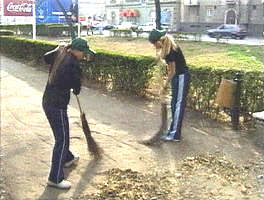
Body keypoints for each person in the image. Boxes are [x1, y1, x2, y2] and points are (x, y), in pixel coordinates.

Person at [42, 38, 95, 189]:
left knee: (61, 136)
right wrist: (76, 86)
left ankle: (68, 158)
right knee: (62, 139)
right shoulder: (72, 64)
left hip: (48, 102)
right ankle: (55, 178)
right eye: (83, 53)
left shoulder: (61, 55)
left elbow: (46, 58)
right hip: (57, 106)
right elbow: (76, 88)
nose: (84, 56)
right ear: (76, 51)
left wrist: (58, 48)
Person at [148, 29, 190, 142]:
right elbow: (170, 70)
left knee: (178, 105)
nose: (154, 46)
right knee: (174, 104)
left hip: (181, 77)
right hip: (177, 77)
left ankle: (175, 135)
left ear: (159, 41)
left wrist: (165, 85)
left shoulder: (170, 51)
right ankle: (172, 131)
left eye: (153, 43)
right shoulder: (167, 48)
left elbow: (173, 71)